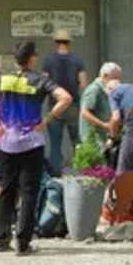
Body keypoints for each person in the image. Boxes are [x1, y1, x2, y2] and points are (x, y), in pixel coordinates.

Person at [0, 41, 72, 257]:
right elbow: (66, 97)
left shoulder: (2, 79)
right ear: (32, 58)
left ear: (15, 58)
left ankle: (1, 239)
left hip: (7, 142)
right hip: (32, 142)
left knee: (6, 190)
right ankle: (23, 242)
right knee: (29, 192)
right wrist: (48, 118)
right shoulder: (40, 80)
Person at [39, 30, 87, 175]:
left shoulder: (48, 60)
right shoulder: (77, 60)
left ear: (56, 43)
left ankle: (55, 174)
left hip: (55, 105)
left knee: (55, 144)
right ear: (69, 43)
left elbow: (44, 82)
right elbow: (83, 83)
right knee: (77, 141)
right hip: (73, 104)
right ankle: (81, 169)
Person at [78, 62, 121, 167]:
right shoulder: (94, 90)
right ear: (105, 76)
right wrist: (103, 125)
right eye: (114, 78)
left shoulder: (108, 90)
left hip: (105, 136)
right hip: (94, 136)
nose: (117, 81)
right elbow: (85, 112)